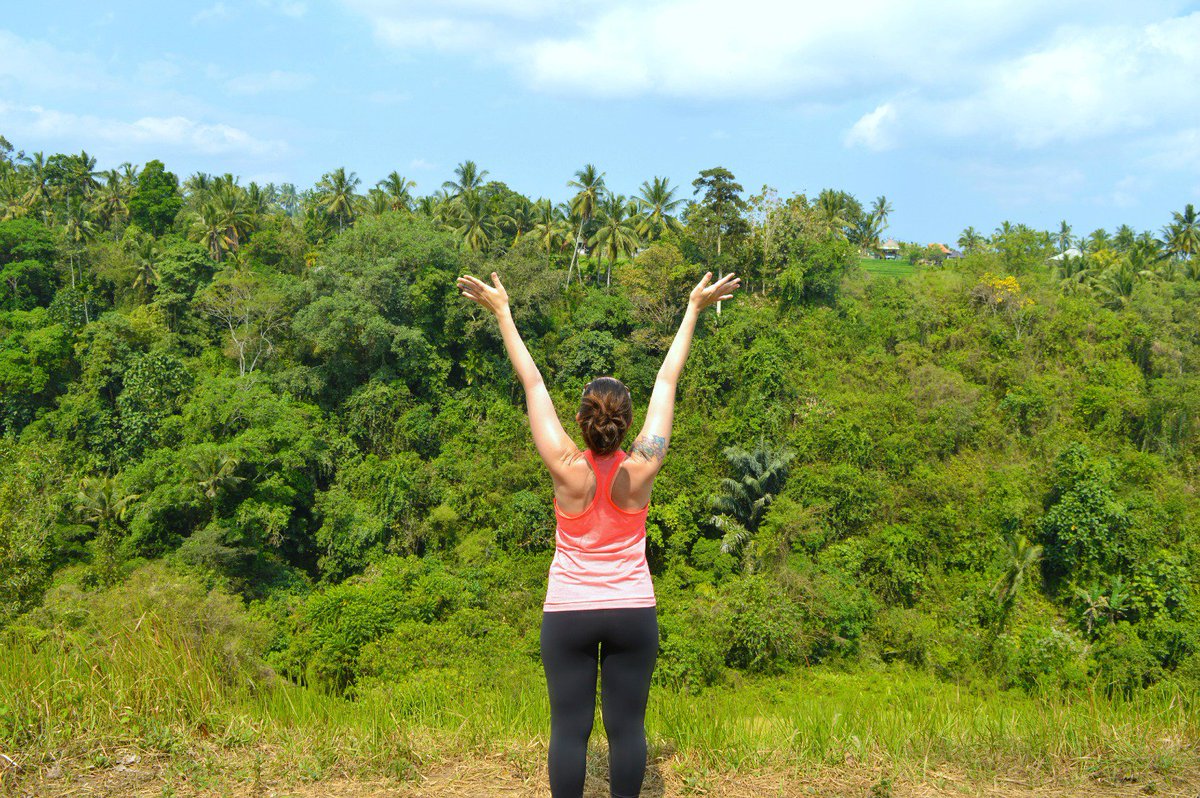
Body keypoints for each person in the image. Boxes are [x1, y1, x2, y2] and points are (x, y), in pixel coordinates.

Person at [455, 268, 740, 798]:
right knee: (626, 729)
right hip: (632, 607)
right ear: (625, 423)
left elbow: (533, 382)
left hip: (569, 610)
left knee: (570, 730)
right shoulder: (641, 468)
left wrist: (503, 312)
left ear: (583, 422)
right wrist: (693, 309)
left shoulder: (568, 468)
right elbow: (667, 381)